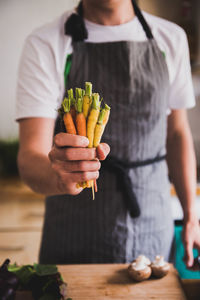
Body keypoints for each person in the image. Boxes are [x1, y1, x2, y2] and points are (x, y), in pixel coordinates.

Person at [16, 0, 200, 267]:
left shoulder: (170, 39)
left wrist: (191, 215)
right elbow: (30, 156)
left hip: (152, 218)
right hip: (73, 229)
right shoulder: (46, 43)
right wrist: (58, 176)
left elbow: (177, 135)